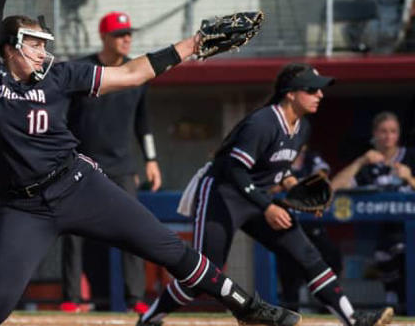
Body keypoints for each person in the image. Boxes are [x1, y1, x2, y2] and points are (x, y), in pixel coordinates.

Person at [0, 0, 300, 326]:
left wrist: (193, 44)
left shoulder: (59, 75)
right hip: (23, 208)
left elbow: (130, 74)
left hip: (77, 184)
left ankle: (246, 308)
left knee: (168, 249)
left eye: (43, 43)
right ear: (10, 47)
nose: (43, 51)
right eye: (34, 44)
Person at [139, 64, 394, 326]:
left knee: (308, 257)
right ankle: (149, 318)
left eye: (320, 90)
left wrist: (296, 189)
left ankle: (352, 319)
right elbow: (235, 170)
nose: (320, 95)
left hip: (256, 196)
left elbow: (279, 169)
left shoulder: (302, 127)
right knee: (204, 273)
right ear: (291, 93)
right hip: (222, 194)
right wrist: (268, 207)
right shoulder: (263, 122)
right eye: (312, 89)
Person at [61, 11, 162, 314]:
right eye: (119, 34)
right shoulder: (83, 70)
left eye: (129, 33)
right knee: (71, 232)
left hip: (121, 167)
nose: (126, 38)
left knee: (132, 229)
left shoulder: (136, 74)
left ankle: (136, 298)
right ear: (103, 37)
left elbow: (143, 123)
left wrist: (152, 159)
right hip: (80, 164)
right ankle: (71, 298)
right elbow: (63, 116)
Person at [331, 112, 414, 305]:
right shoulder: (369, 163)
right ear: (374, 133)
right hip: (384, 237)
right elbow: (334, 187)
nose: (388, 136)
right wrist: (361, 162)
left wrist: (409, 178)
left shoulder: (410, 156)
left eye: (393, 131)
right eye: (383, 131)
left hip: (411, 234)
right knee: (394, 292)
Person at [274, 145, 343, 312]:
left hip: (315, 231)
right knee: (289, 281)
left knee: (330, 261)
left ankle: (328, 310)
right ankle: (290, 315)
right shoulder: (278, 160)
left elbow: (321, 178)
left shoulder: (312, 159)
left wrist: (297, 186)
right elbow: (270, 187)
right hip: (288, 229)